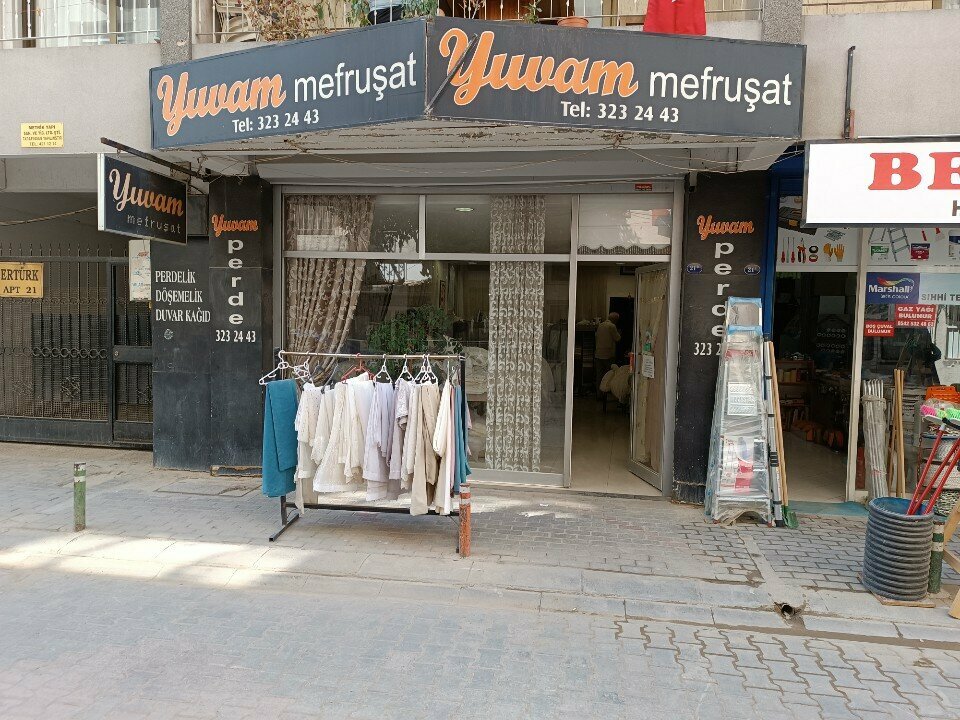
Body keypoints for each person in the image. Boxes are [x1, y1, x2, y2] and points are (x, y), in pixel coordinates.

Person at [595, 312, 621, 392]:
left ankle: (598, 393)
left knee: (599, 375)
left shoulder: (600, 325)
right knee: (608, 375)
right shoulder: (612, 326)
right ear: (615, 320)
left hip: (598, 353)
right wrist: (619, 333)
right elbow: (617, 338)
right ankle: (606, 394)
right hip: (608, 354)